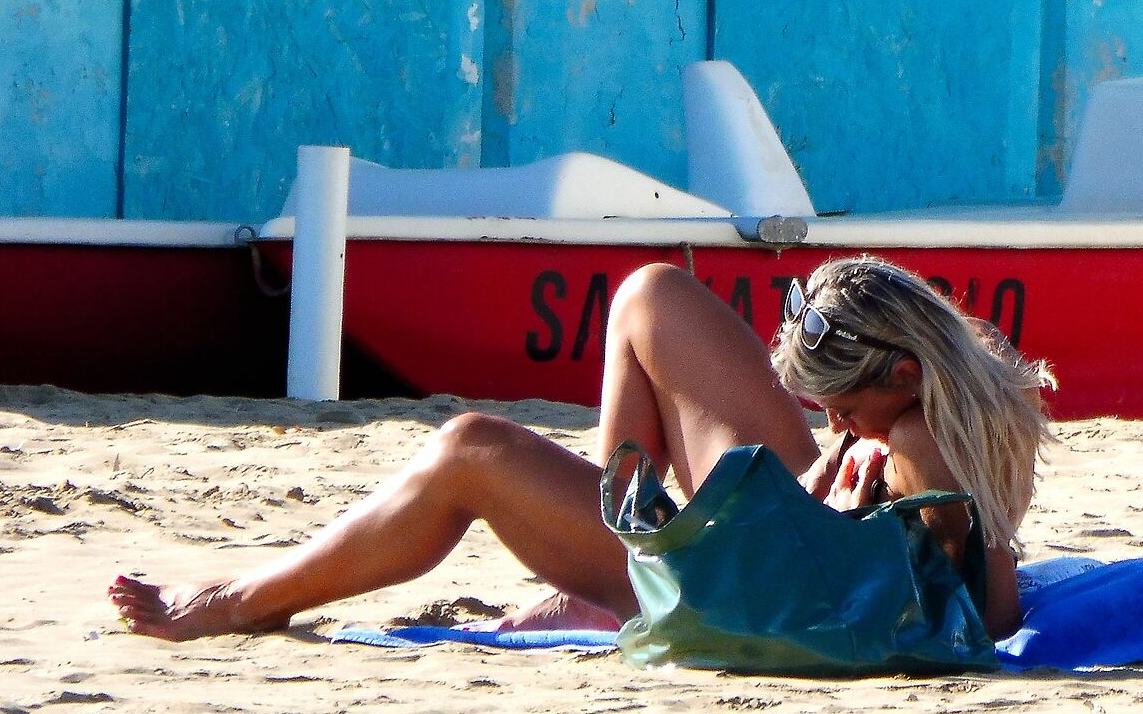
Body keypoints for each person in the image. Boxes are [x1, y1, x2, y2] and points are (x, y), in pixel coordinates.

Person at [108, 255, 1053, 642]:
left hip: (748, 585)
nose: (831, 421)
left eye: (838, 406)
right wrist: (824, 481)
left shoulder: (921, 445)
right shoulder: (956, 386)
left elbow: (977, 618)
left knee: (469, 450)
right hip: (777, 541)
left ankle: (242, 602)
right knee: (649, 296)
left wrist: (832, 508)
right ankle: (603, 564)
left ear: (897, 377)